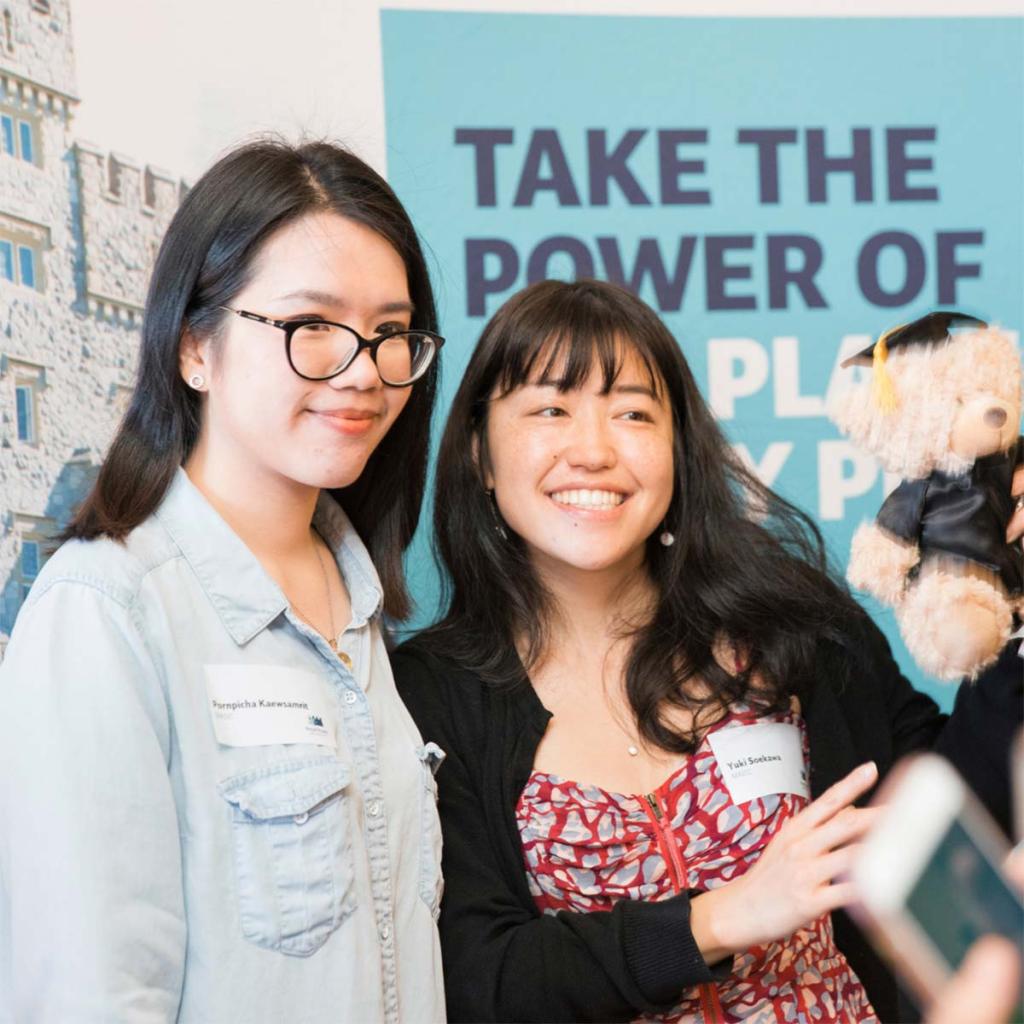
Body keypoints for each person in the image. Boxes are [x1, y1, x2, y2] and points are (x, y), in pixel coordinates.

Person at [392, 279, 1022, 1023]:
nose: (593, 451)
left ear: (677, 450)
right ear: (481, 455)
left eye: (632, 412)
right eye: (550, 410)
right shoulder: (428, 692)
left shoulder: (787, 620)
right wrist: (720, 918)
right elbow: (477, 979)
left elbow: (943, 801)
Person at [0, 139, 446, 1023]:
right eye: (311, 327)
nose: (362, 371)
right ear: (194, 347)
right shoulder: (107, 611)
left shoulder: (357, 607)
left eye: (391, 333)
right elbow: (88, 994)